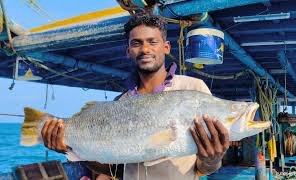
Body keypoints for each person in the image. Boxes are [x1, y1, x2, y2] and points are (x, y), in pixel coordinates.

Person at [41, 13, 230, 180]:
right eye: (136, 43)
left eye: (152, 42)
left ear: (166, 47)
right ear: (128, 51)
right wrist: (69, 149)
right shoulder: (121, 103)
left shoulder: (193, 89)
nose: (145, 49)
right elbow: (115, 170)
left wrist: (213, 159)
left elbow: (206, 169)